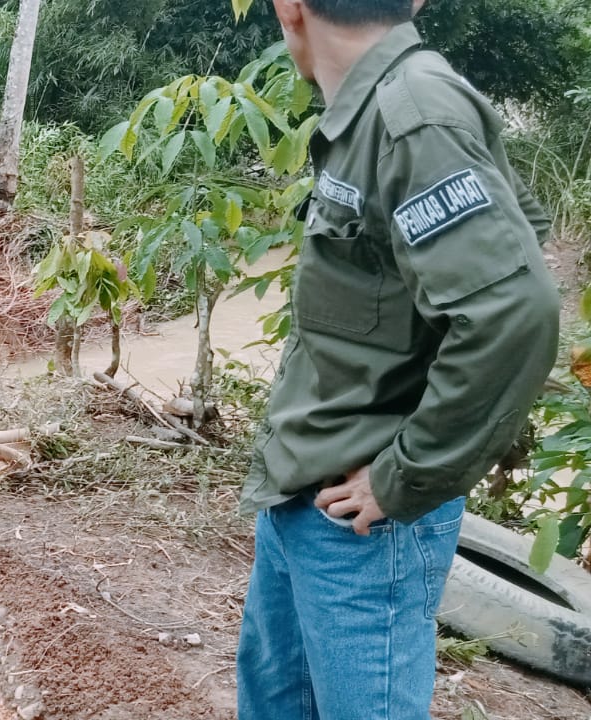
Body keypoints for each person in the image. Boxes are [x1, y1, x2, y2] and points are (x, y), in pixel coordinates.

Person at [237, 0, 561, 717]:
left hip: (365, 525)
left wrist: (404, 476)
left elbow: (513, 311)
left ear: (288, 7)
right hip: (303, 494)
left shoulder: (415, 113)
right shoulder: (373, 108)